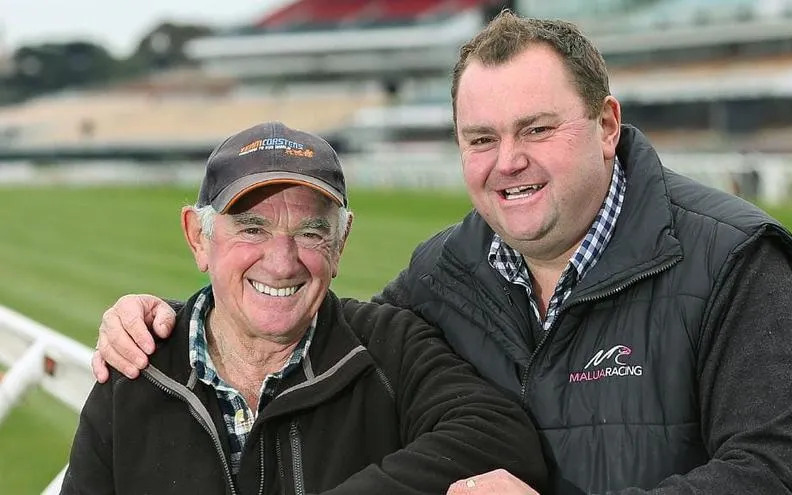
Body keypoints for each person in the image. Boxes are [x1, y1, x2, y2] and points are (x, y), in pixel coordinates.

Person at [92, 11, 792, 495]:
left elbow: (781, 473)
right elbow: (311, 334)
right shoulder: (442, 273)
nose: (507, 160)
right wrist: (154, 320)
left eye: (536, 129)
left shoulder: (734, 258)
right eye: (482, 139)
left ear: (607, 124)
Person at [64, 121, 548, 494]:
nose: (282, 262)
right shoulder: (138, 371)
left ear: (341, 243)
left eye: (311, 233)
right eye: (252, 229)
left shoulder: (387, 346)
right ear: (198, 237)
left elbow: (501, 437)